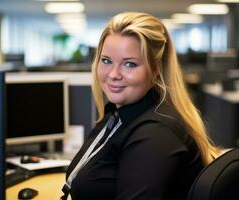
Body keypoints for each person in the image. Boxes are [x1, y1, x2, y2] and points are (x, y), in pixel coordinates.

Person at [61, 12, 221, 200]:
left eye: (129, 64)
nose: (113, 74)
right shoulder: (119, 113)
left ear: (155, 69)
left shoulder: (155, 135)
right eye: (106, 61)